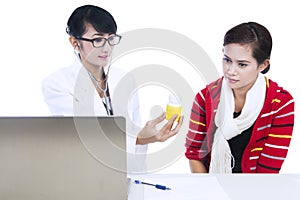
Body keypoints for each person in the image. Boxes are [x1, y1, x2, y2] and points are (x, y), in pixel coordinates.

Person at [42, 5, 183, 172]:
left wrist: (146, 134)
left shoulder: (125, 79)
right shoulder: (57, 84)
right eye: (98, 40)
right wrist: (139, 138)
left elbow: (135, 136)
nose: (107, 48)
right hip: (83, 175)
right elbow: (87, 137)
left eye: (111, 39)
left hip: (127, 175)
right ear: (75, 42)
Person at [185, 22, 294, 173]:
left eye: (242, 65)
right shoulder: (205, 98)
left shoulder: (280, 103)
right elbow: (195, 154)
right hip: (211, 188)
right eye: (227, 60)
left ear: (263, 65)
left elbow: (268, 170)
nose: (230, 71)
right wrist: (208, 192)